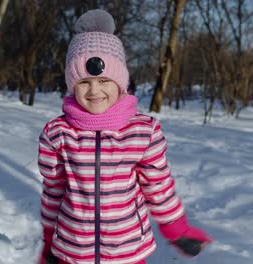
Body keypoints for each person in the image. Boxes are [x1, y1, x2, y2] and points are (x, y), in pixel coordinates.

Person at [37, 9, 211, 264]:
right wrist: (49, 241)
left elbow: (158, 186)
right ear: (72, 85)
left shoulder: (141, 132)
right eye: (84, 82)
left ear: (120, 83)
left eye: (104, 80)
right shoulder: (58, 133)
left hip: (127, 252)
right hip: (72, 251)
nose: (94, 90)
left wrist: (176, 229)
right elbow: (53, 191)